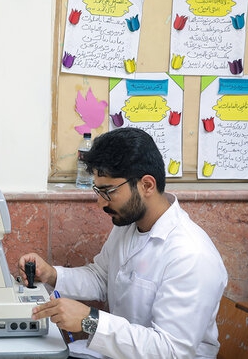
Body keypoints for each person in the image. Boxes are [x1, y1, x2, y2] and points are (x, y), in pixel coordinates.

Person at [19, 127, 228, 358]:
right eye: (98, 190)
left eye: (108, 191)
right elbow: (102, 277)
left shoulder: (192, 255)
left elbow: (171, 351)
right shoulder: (128, 225)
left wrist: (91, 322)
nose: (100, 203)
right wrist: (51, 275)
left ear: (147, 185)